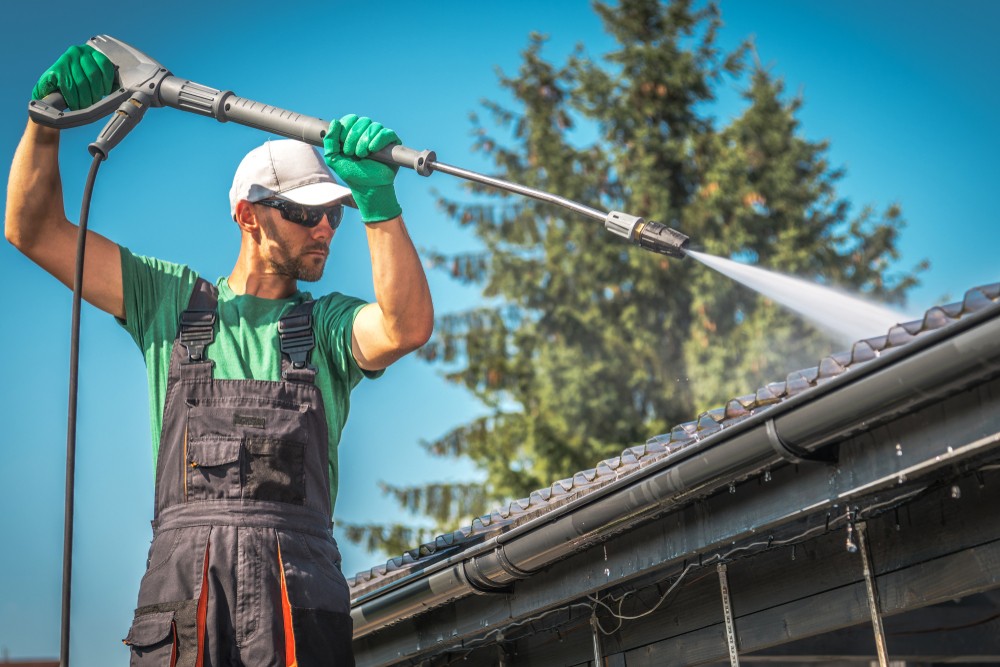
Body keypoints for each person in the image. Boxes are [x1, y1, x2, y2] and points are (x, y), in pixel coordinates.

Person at [6, 44, 433, 665]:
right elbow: (34, 229)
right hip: (187, 586)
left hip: (299, 585)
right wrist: (44, 124)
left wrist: (378, 205)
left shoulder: (329, 326)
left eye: (333, 216)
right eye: (304, 213)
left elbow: (404, 327)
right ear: (248, 215)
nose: (324, 230)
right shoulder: (168, 301)